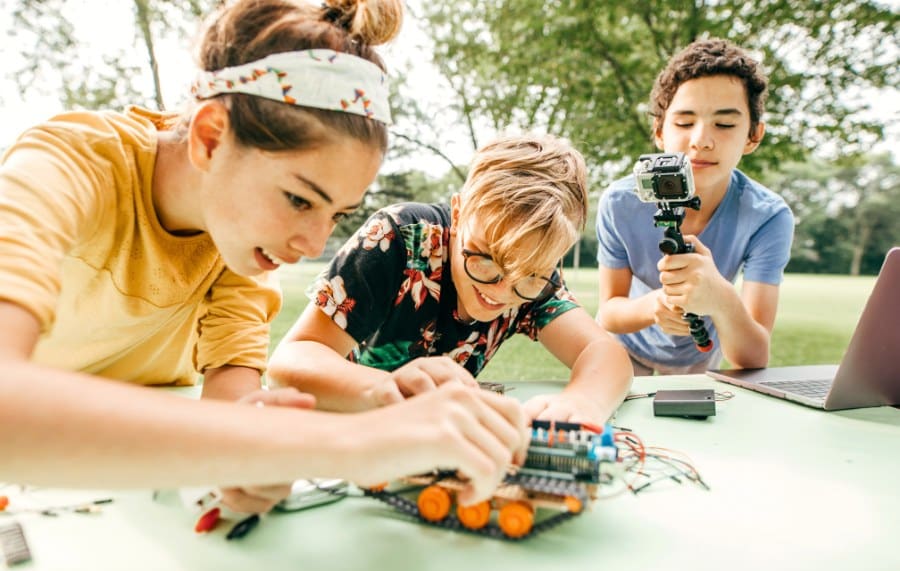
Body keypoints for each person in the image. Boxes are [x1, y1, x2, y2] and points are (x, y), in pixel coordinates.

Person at [0, 0, 529, 514]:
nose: (313, 244)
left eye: (336, 213)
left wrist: (248, 465)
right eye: (299, 199)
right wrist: (347, 443)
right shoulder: (71, 162)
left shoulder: (243, 247)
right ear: (210, 138)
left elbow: (231, 416)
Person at [268, 134, 633, 425]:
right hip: (341, 435)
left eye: (530, 276)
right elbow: (290, 361)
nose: (501, 291)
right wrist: (387, 387)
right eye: (486, 259)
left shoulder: (533, 278)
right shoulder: (398, 237)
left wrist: (582, 403)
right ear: (458, 213)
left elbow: (605, 353)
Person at [594, 38, 794, 375]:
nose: (701, 140)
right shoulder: (620, 202)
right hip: (623, 349)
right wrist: (654, 306)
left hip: (699, 357)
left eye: (725, 124)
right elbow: (609, 311)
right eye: (685, 123)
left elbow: (753, 357)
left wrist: (721, 297)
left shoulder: (768, 217)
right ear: (659, 132)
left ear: (753, 135)